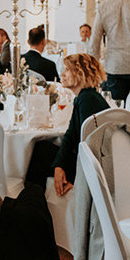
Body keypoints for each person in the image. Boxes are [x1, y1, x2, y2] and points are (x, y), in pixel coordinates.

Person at [33, 54, 109, 196]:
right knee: (40, 149)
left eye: (67, 70)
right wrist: (59, 165)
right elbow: (70, 136)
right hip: (82, 159)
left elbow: (89, 145)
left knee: (38, 156)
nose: (62, 74)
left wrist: (75, 178)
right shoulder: (85, 97)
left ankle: (35, 203)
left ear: (80, 74)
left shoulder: (88, 101)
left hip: (91, 166)